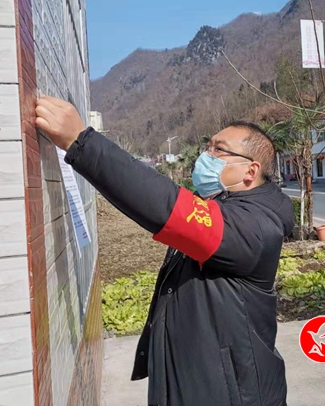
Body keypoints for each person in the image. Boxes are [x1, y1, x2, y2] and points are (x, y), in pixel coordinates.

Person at [35, 96, 294, 406]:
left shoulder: (254, 227)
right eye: (207, 146)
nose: (205, 155)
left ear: (250, 171)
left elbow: (166, 206)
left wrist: (82, 143)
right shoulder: (224, 206)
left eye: (218, 149)